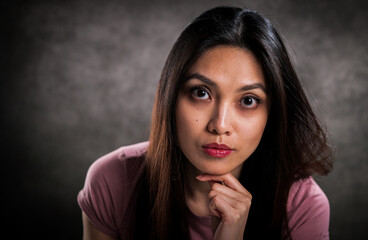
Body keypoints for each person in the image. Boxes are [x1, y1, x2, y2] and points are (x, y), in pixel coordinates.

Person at [78, 6, 333, 240]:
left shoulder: (302, 207)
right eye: (201, 93)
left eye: (248, 101)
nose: (220, 125)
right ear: (171, 97)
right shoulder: (112, 181)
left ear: (273, 113)